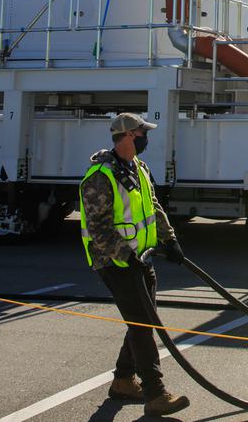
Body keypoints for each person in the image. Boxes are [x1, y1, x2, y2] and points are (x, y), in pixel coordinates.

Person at [80, 113, 190, 416]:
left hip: (141, 257)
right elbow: (99, 228)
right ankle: (155, 393)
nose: (146, 138)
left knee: (141, 319)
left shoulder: (138, 168)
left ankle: (123, 381)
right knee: (143, 325)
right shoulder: (100, 176)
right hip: (114, 261)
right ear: (128, 136)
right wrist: (125, 256)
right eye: (142, 132)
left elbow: (153, 207)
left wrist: (170, 240)